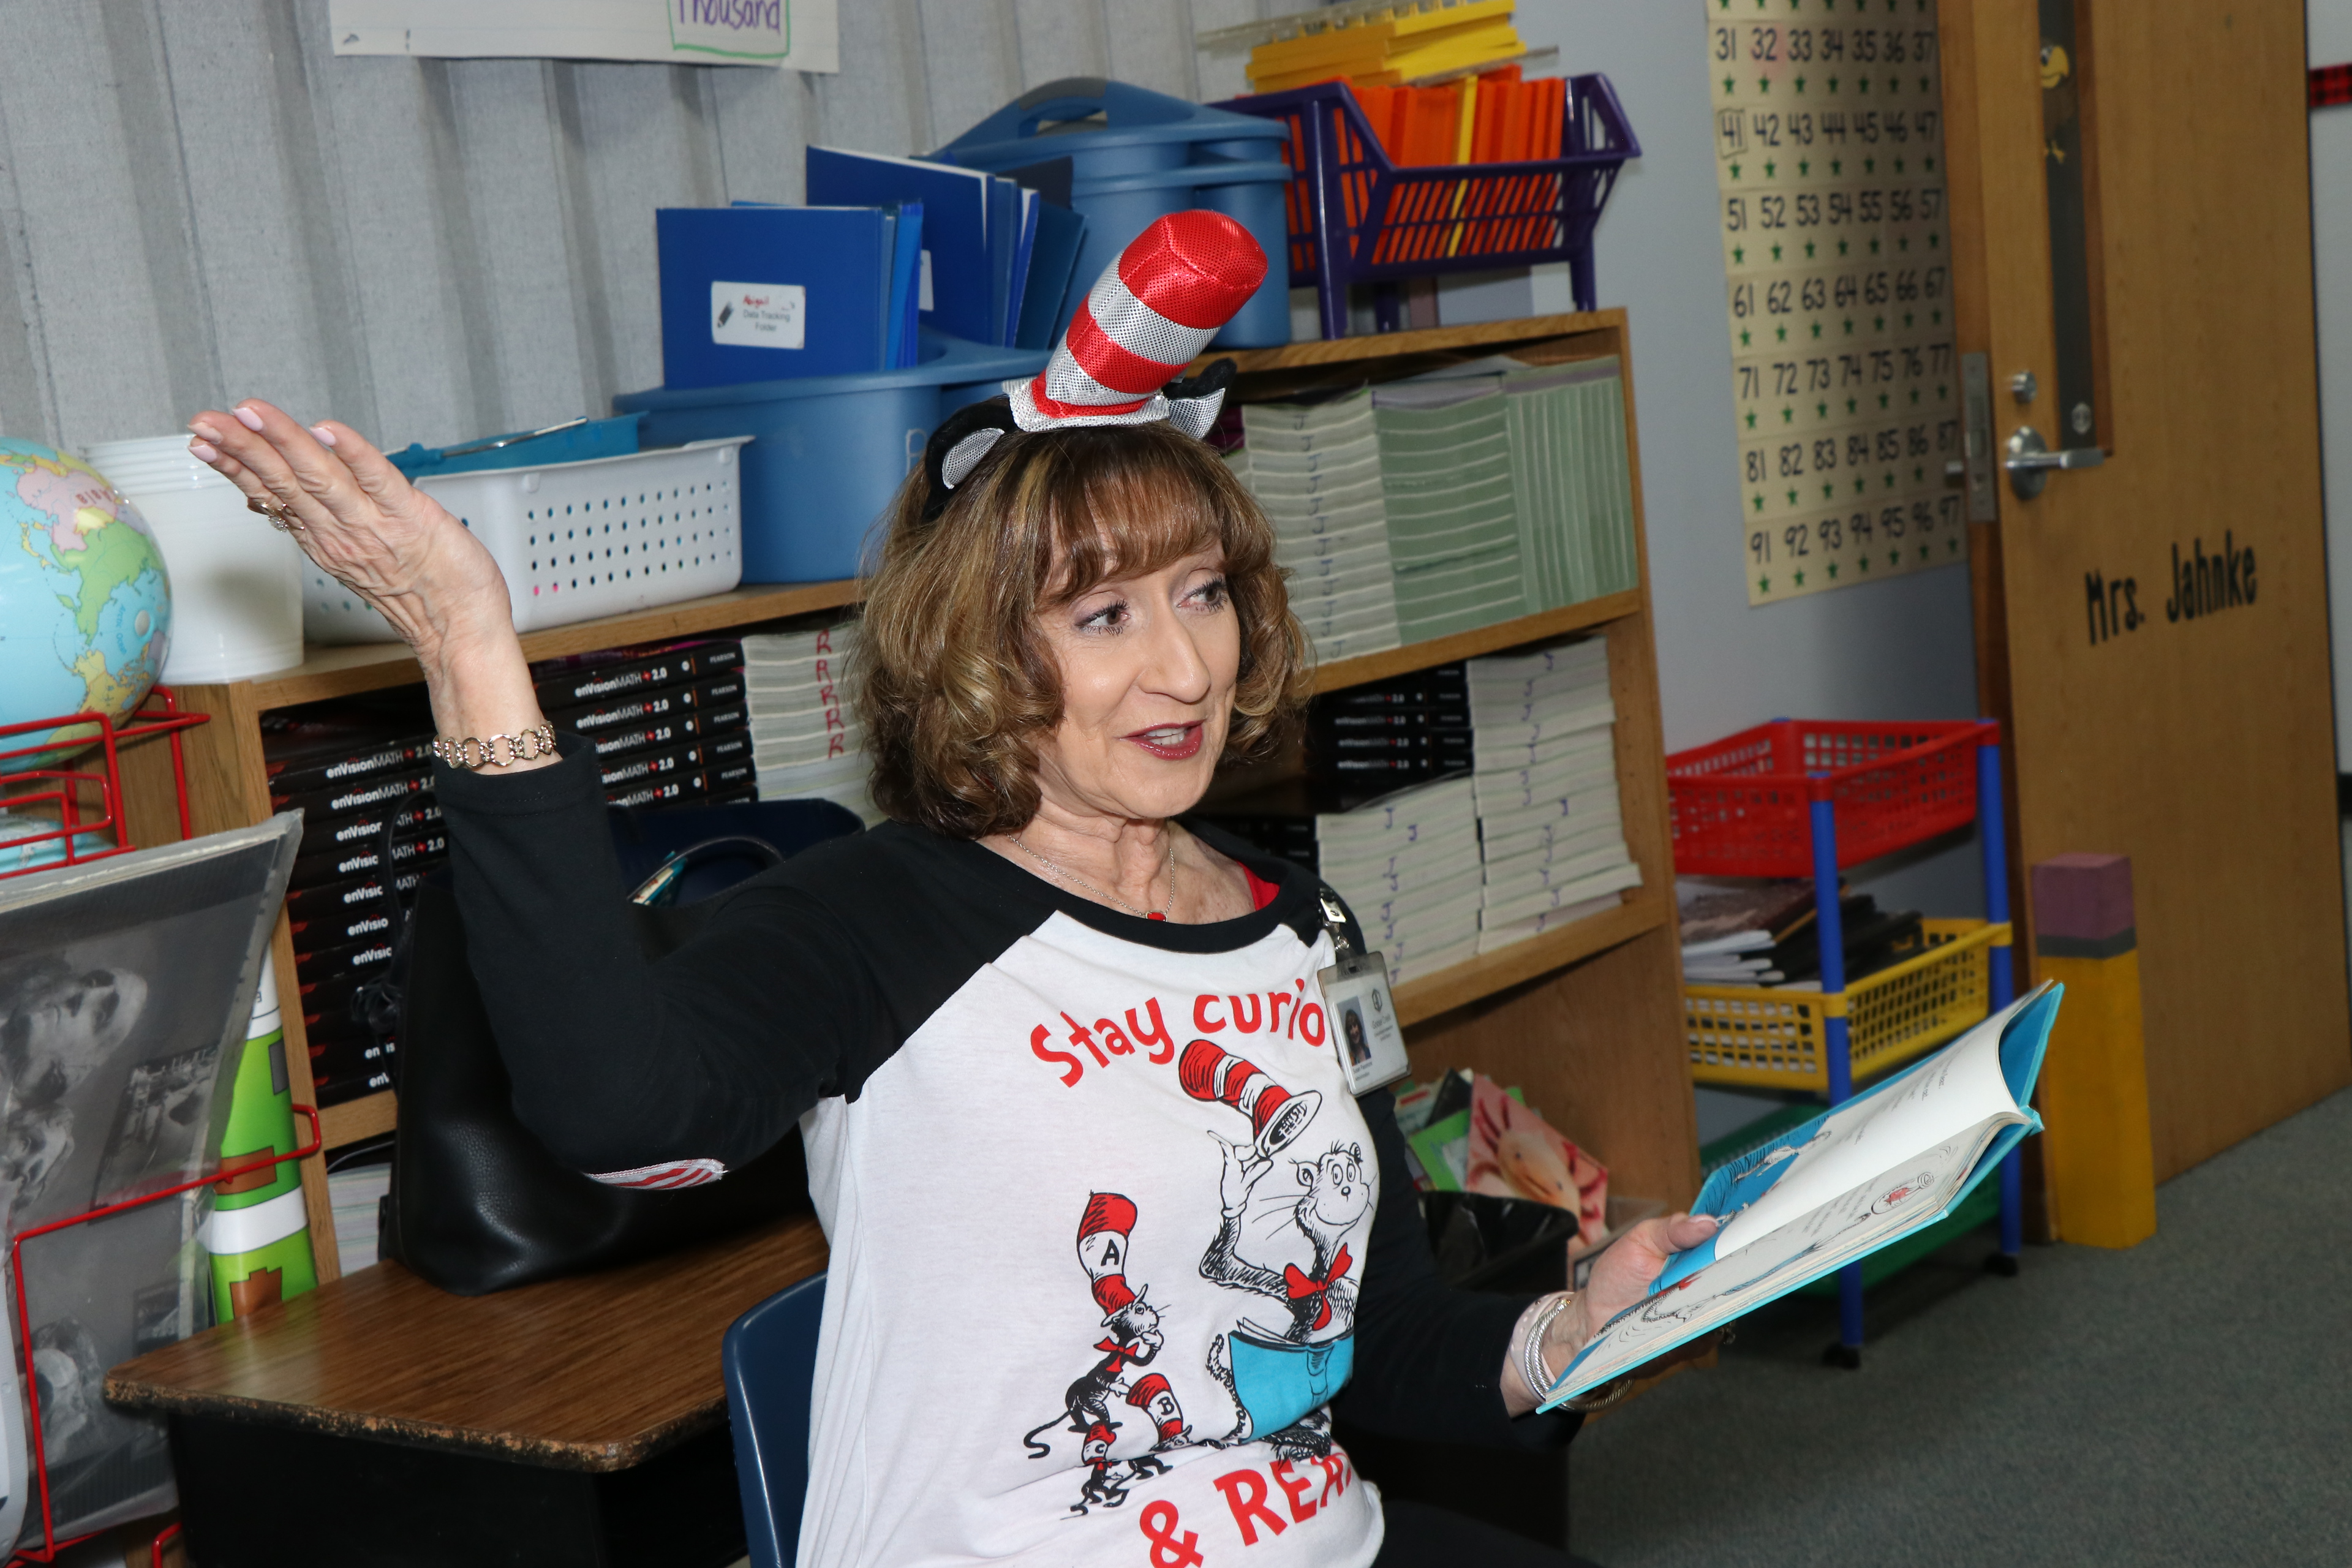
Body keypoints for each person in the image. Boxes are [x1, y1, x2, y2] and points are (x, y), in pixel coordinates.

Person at [184, 213, 1715, 1568]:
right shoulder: (881, 914)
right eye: (1104, 614)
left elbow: (1370, 1341)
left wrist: (1567, 1328)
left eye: (1204, 595)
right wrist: (467, 644)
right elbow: (616, 1106)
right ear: (985, 653)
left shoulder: (1305, 931)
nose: (1184, 667)